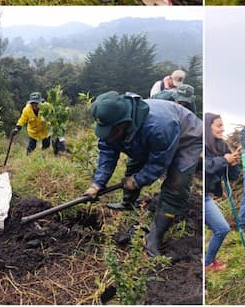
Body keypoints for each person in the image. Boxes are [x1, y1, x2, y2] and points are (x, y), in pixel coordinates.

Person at [85, 91, 203, 257]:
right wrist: (97, 184)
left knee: (176, 184)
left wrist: (137, 180)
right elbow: (107, 151)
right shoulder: (113, 124)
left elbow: (159, 163)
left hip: (187, 139)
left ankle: (155, 236)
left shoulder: (159, 126)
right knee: (134, 167)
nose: (108, 134)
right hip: (153, 137)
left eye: (111, 131)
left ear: (122, 124)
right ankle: (128, 202)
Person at [204, 112, 239, 271]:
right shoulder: (200, 144)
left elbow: (232, 176)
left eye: (223, 126)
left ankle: (207, 262)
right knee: (221, 229)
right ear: (208, 126)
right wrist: (224, 160)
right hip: (198, 194)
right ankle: (207, 263)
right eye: (219, 126)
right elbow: (204, 166)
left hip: (208, 195)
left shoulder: (222, 145)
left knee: (221, 229)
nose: (222, 129)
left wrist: (233, 164)